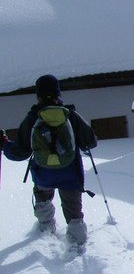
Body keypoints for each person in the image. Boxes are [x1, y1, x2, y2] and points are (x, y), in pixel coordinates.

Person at [1, 74, 97, 245]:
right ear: (58, 94)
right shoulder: (71, 116)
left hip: (43, 175)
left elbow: (20, 152)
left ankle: (45, 235)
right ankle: (77, 247)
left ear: (38, 96)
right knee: (74, 213)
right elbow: (90, 142)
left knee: (43, 200)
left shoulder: (33, 118)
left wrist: (5, 145)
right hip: (70, 176)